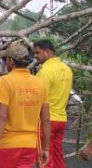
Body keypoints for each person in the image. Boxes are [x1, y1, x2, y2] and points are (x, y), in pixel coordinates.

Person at [0, 42, 50, 168]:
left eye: (6, 59)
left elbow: (1, 117)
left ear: (10, 61)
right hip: (30, 146)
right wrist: (46, 148)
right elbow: (46, 119)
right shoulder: (40, 84)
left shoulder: (5, 81)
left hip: (8, 145)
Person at [34, 40, 73, 168]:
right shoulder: (67, 70)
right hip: (61, 120)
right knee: (57, 157)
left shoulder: (44, 72)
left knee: (44, 159)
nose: (35, 56)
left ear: (47, 52)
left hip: (46, 122)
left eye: (37, 52)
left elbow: (38, 101)